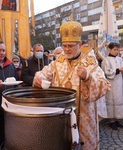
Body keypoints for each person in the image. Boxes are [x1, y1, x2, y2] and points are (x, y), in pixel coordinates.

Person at [33, 21, 111, 150]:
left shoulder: (90, 62)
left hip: (84, 116)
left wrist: (87, 77)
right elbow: (42, 73)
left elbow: (104, 85)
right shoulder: (58, 62)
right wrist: (39, 79)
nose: (67, 49)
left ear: (79, 45)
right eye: (64, 46)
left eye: (70, 46)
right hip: (61, 116)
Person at [101, 42, 123, 130]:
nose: (116, 51)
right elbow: (107, 72)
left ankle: (117, 119)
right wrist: (118, 70)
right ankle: (111, 120)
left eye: (117, 49)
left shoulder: (120, 59)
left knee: (118, 99)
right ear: (110, 50)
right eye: (114, 49)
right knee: (111, 100)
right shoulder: (106, 60)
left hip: (118, 82)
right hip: (110, 83)